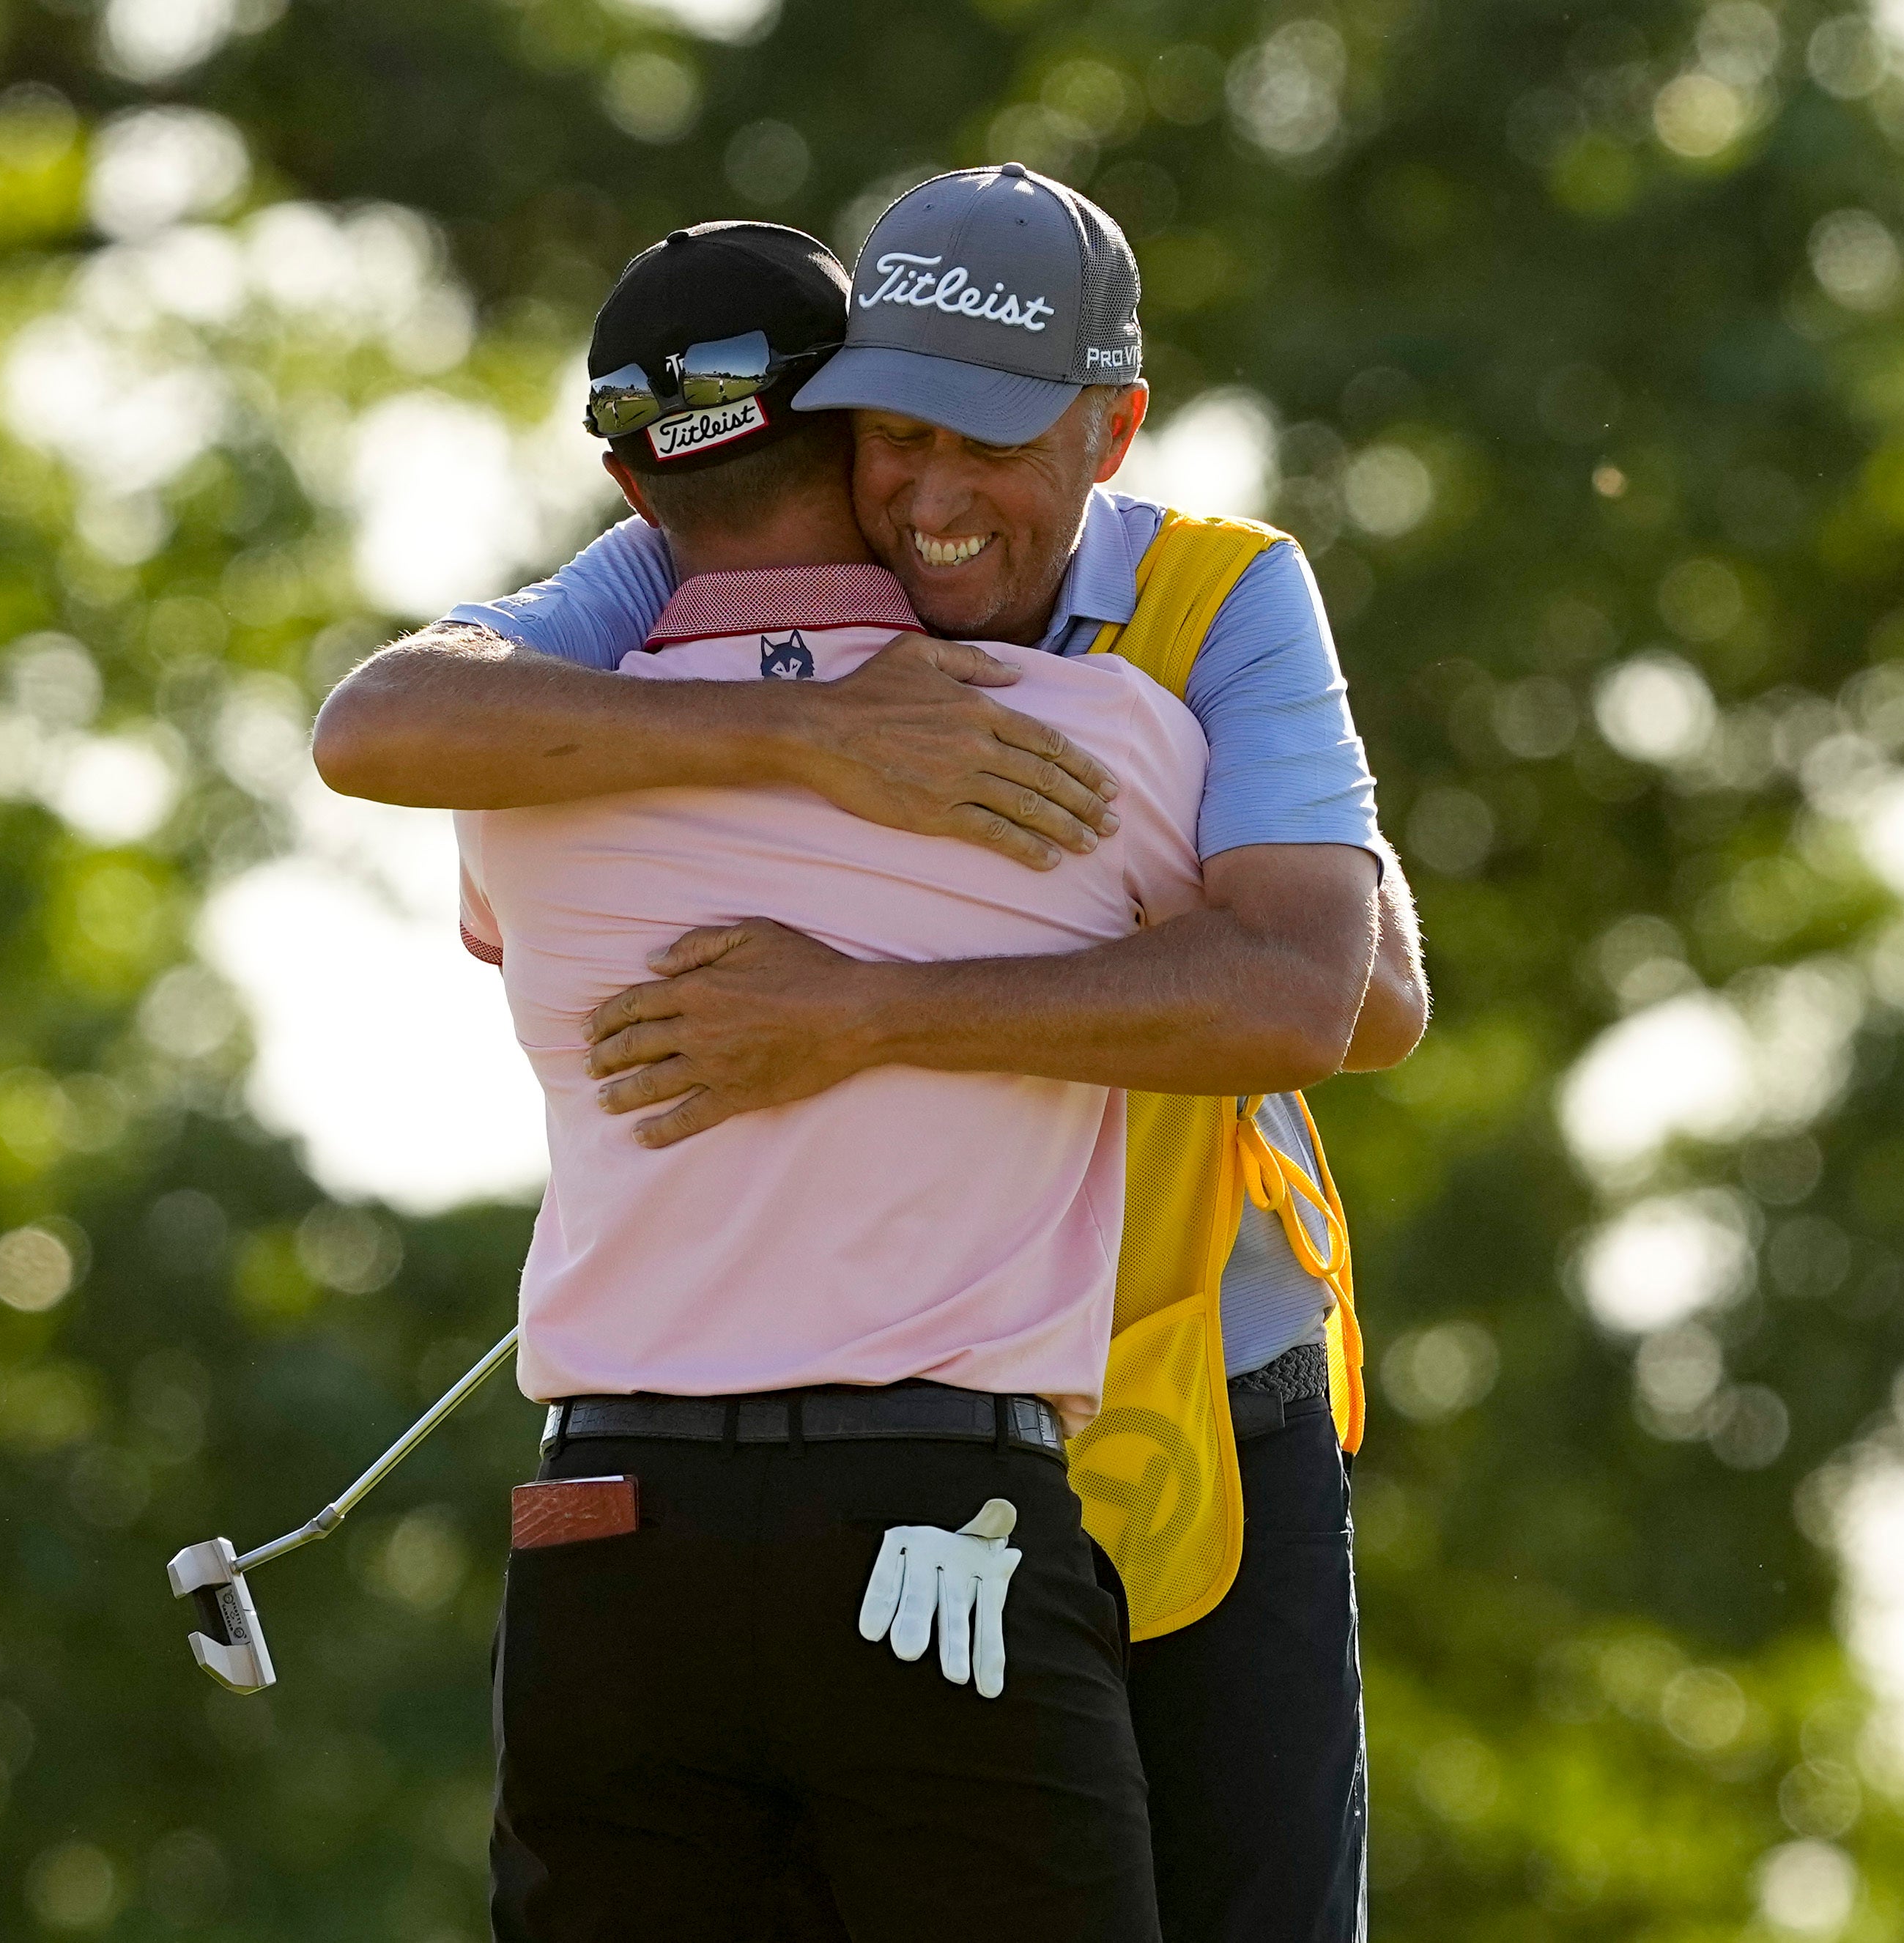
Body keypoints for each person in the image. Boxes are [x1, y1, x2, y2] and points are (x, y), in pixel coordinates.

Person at [318, 168, 1426, 1942]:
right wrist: (809, 732)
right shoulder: (690, 574)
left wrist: (864, 1009)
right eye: (891, 435)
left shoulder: (1221, 601)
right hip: (935, 1436)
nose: (926, 497)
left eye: (988, 446)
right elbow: (379, 722)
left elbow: (1343, 1003)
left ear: (1110, 433)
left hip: (1210, 1377)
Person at [465, 221, 1203, 1941]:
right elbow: (1338, 986)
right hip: (935, 1523)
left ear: (637, 498)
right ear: (866, 446)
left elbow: (494, 909)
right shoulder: (1105, 741)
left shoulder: (509, 794)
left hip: (604, 1538)